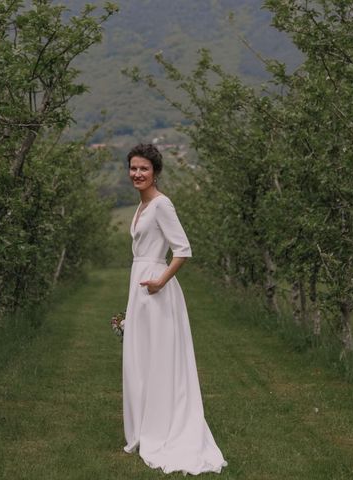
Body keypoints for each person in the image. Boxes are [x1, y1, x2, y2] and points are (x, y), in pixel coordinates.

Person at [122, 143, 227, 475]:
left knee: (158, 360)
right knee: (140, 358)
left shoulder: (162, 204)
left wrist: (159, 282)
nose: (137, 174)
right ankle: (144, 426)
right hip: (140, 285)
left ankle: (163, 428)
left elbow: (182, 249)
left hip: (155, 289)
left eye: (144, 169)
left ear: (155, 172)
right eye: (133, 168)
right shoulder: (142, 206)